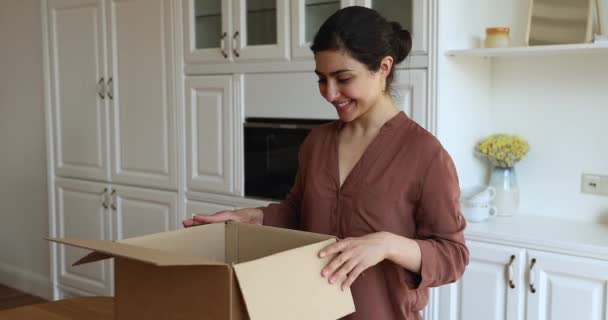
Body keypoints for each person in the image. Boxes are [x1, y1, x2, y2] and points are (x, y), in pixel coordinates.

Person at [183, 6, 468, 320]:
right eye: (322, 79)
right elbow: (297, 211)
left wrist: (387, 245)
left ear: (383, 68)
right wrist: (248, 219)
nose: (330, 94)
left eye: (343, 78)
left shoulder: (425, 154)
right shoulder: (316, 143)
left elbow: (453, 256)